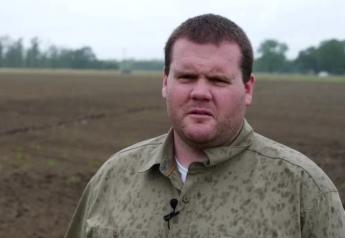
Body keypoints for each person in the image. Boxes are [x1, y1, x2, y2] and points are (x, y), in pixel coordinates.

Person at [65, 14, 345, 238]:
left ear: (247, 89)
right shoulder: (113, 177)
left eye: (218, 80)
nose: (200, 92)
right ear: (165, 83)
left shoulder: (304, 189)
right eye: (187, 77)